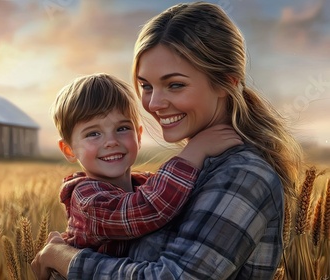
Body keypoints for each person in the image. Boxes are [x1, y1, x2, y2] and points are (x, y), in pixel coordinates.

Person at [32, 2, 303, 279]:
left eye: (175, 84)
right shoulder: (187, 170)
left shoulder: (244, 174)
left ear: (226, 83)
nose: (154, 103)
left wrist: (64, 258)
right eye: (146, 86)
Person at [51, 73, 242, 257]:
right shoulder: (85, 197)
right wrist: (195, 152)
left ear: (138, 136)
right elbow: (148, 208)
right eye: (93, 133)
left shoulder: (147, 183)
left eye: (122, 128)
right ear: (69, 150)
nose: (111, 141)